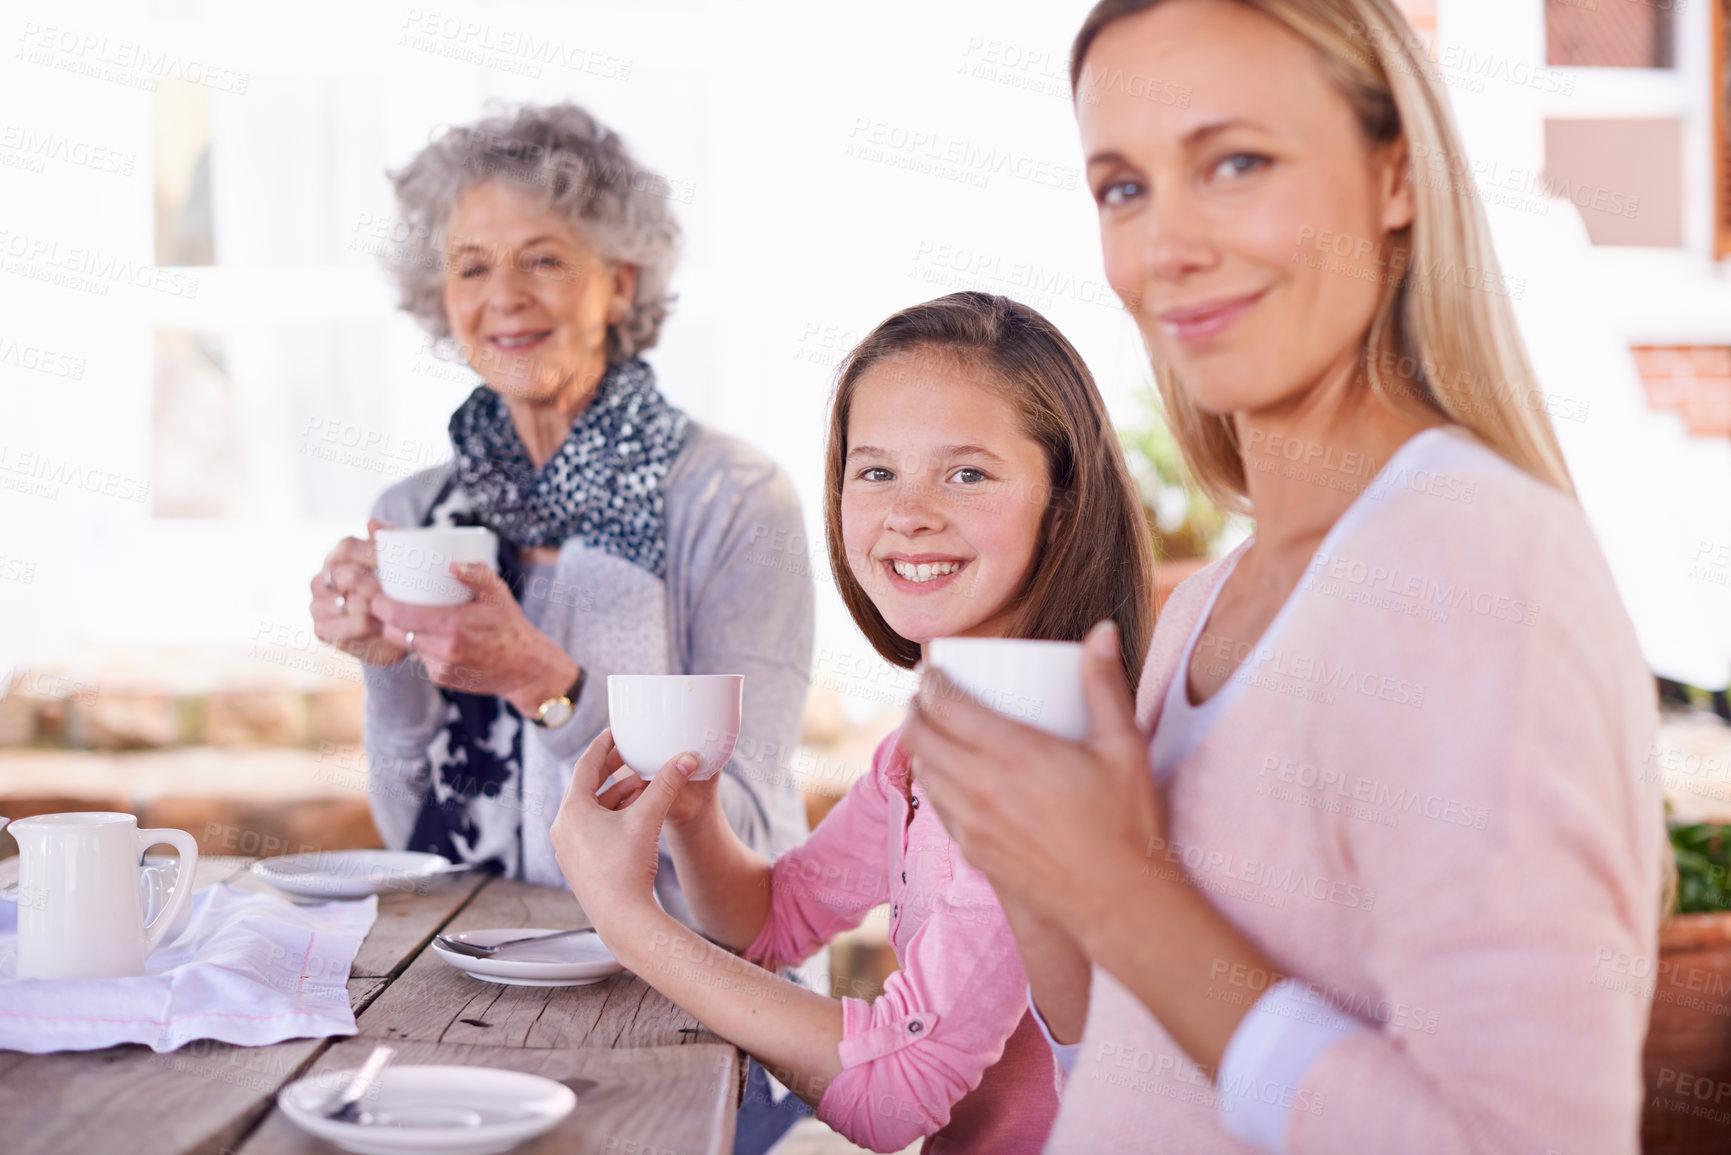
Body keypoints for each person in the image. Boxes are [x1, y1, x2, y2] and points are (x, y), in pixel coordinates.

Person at [903, 2, 1665, 1152]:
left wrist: (1120, 888)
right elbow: (1130, 1063)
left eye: (1237, 162)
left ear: (1396, 177)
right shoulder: (1213, 598)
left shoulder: (1476, 569)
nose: (1167, 248)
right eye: (1124, 187)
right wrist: (1033, 853)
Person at [547, 292, 1155, 1153]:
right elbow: (770, 920)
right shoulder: (932, 735)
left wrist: (625, 918)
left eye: (967, 472)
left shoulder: (1047, 754)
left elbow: (893, 1092)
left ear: (1063, 500)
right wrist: (692, 814)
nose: (908, 512)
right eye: (875, 471)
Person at [307, 103, 811, 915]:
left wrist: (546, 682)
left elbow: (749, 836)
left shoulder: (735, 500)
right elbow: (417, 835)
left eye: (541, 259)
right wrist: (390, 662)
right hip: (479, 976)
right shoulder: (415, 512)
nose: (503, 295)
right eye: (471, 266)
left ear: (618, 284)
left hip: (691, 988)